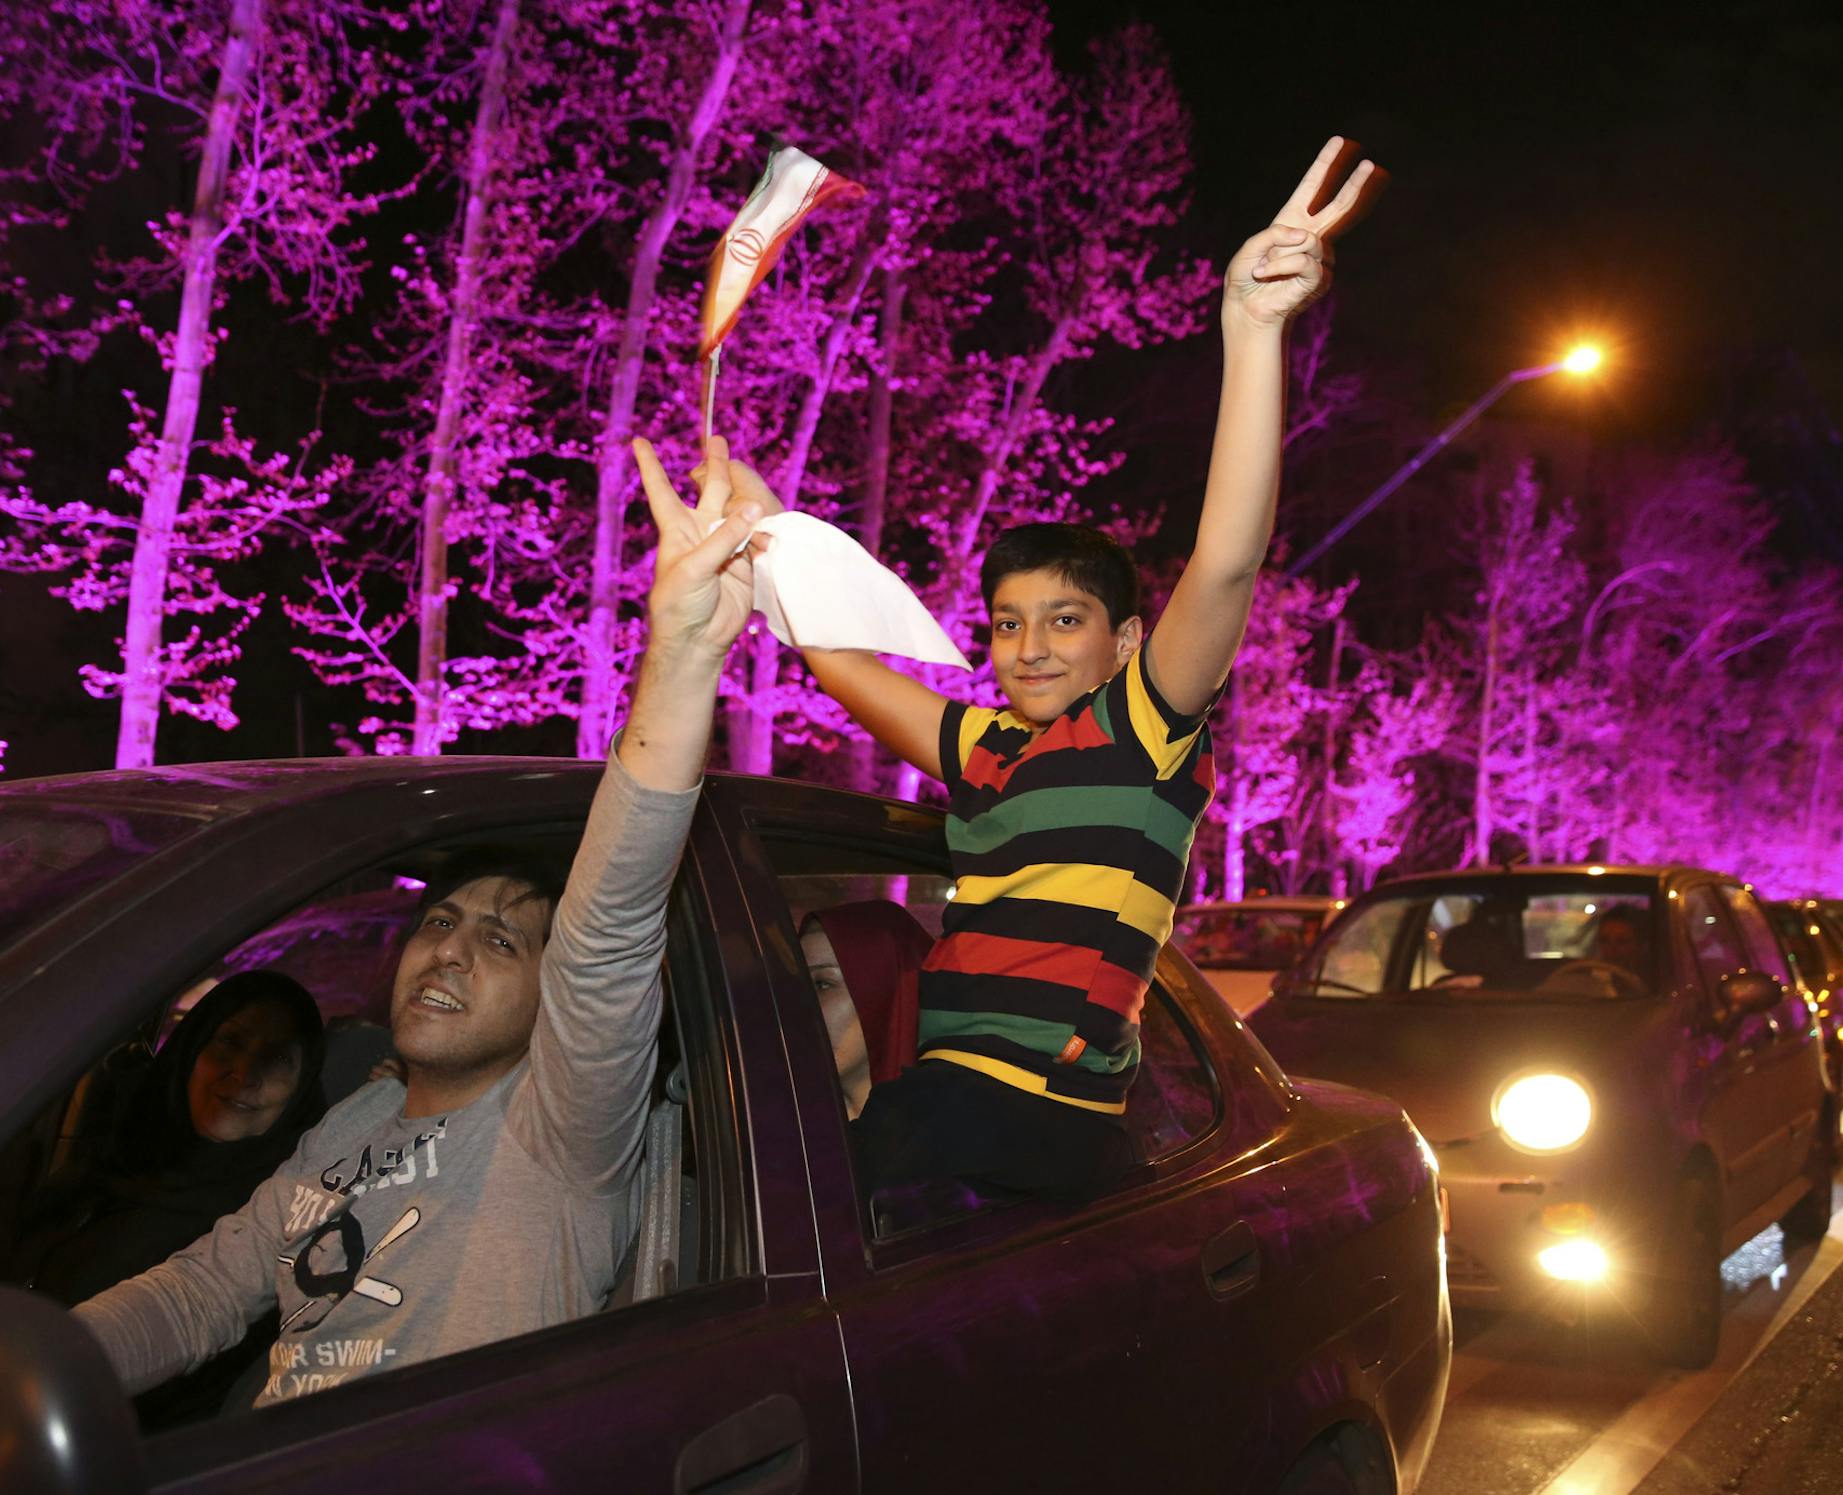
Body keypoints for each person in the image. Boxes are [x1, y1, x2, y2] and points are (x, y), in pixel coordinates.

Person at [731, 139, 1380, 1200]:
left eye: (1065, 620)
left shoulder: (1140, 731)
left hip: (1027, 1112)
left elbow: (1226, 564)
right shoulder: (987, 745)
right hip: (942, 1093)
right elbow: (836, 659)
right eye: (1007, 623)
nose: (1028, 646)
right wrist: (764, 541)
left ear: (1125, 642)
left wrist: (1252, 326)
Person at [74, 433, 768, 1409]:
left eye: (500, 939)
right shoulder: (354, 1120)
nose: (449, 950)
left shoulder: (563, 1124)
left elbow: (609, 929)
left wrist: (683, 656)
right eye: (440, 921)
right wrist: (23, 1365)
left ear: (551, 997)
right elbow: (200, 1293)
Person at [14, 971, 326, 1426]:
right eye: (230, 1042)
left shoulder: (268, 1233)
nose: (244, 1075)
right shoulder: (122, 1157)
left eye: (277, 1059)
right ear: (191, 1048)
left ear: (300, 1089)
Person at [800, 902, 933, 1118]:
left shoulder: (951, 1131)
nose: (797, 1004)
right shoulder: (773, 1124)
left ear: (888, 996)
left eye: (823, 984)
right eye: (795, 984)